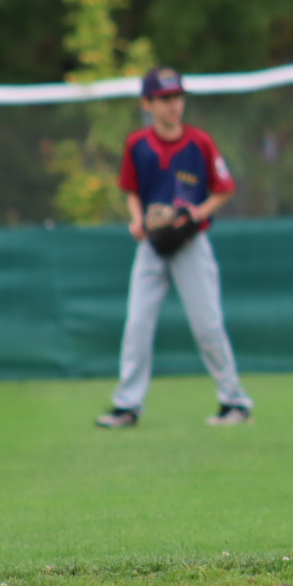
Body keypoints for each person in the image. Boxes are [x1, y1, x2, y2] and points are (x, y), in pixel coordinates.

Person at [96, 67, 256, 428]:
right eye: (165, 98)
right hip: (152, 245)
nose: (174, 105)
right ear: (147, 104)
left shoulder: (199, 142)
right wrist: (137, 220)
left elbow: (225, 188)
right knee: (137, 325)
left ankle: (234, 402)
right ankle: (127, 406)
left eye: (178, 97)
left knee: (207, 325)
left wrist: (196, 214)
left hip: (191, 243)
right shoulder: (138, 144)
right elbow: (131, 190)